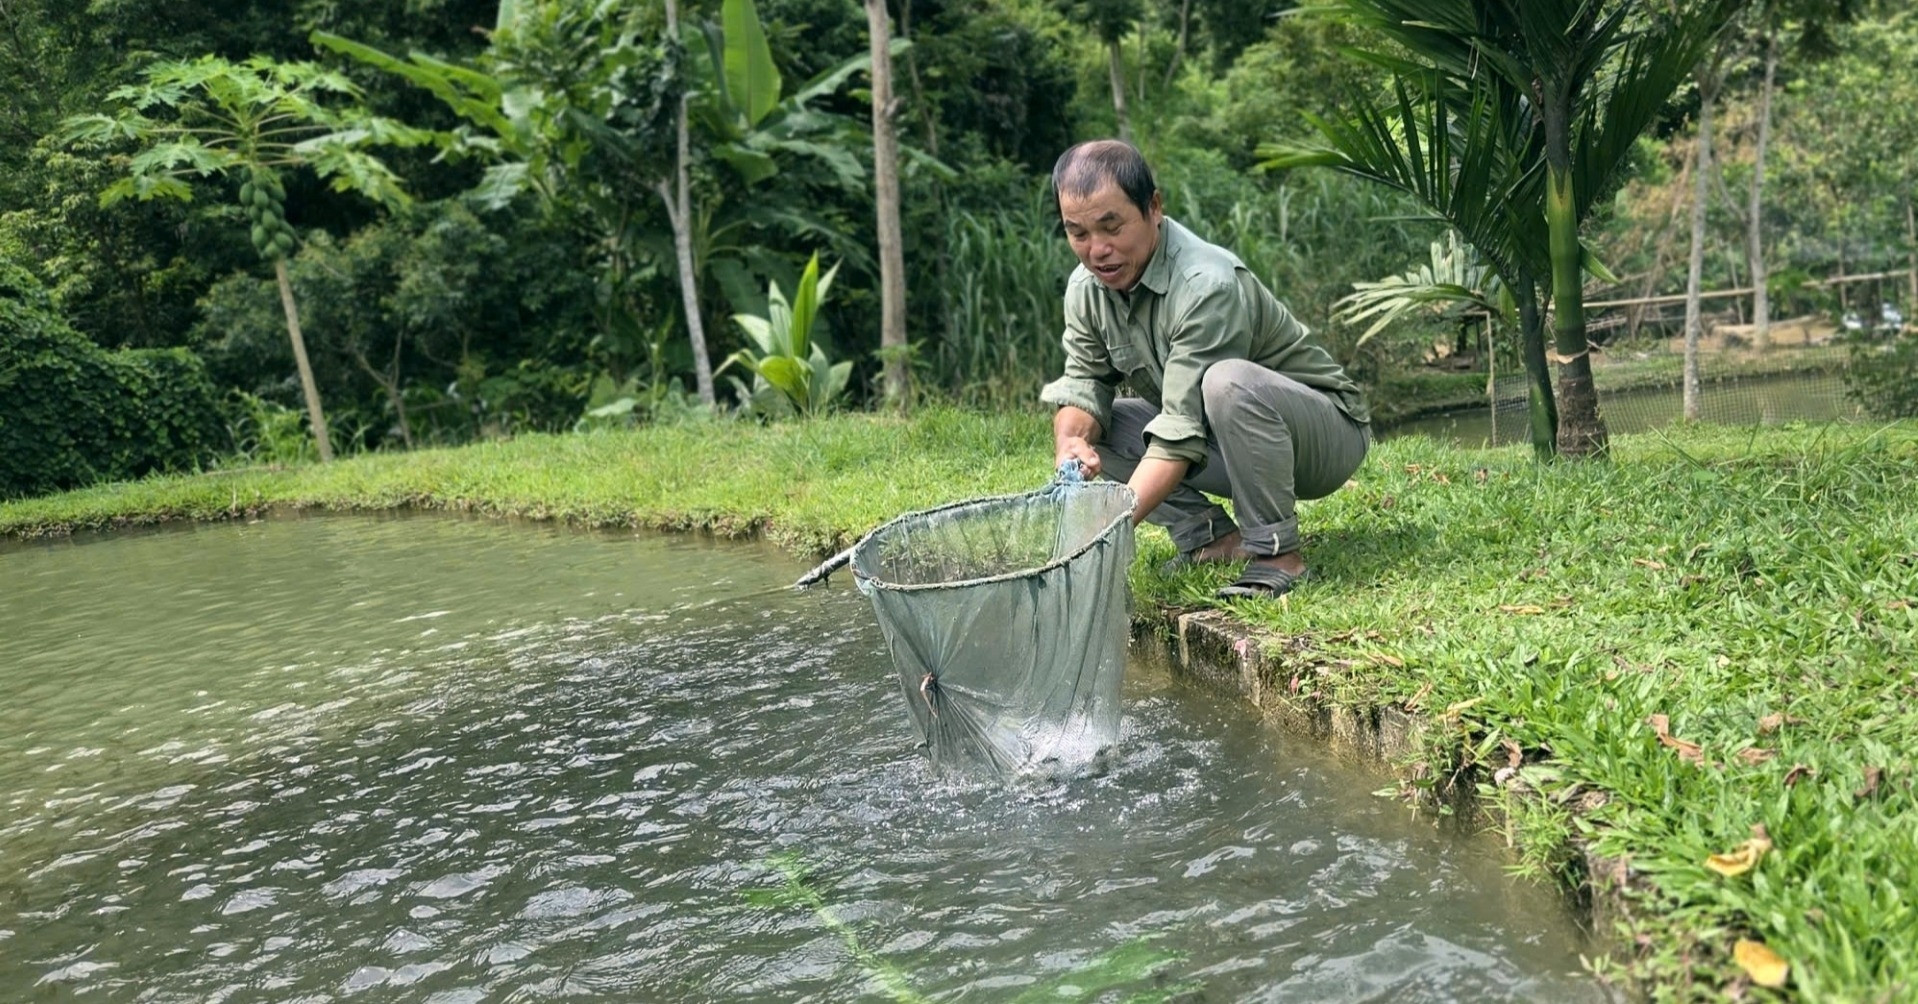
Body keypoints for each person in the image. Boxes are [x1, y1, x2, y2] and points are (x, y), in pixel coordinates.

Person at [1040, 139, 1371, 599]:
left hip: (1322, 442)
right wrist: (1071, 440)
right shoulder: (1086, 289)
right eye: (1078, 233)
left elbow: (1178, 434)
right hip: (1224, 442)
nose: (1097, 249)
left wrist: (1108, 527)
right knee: (1104, 426)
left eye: (1111, 226)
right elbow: (1084, 382)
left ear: (1153, 208)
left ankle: (1278, 555)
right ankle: (1212, 540)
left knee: (1227, 382)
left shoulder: (1204, 284)